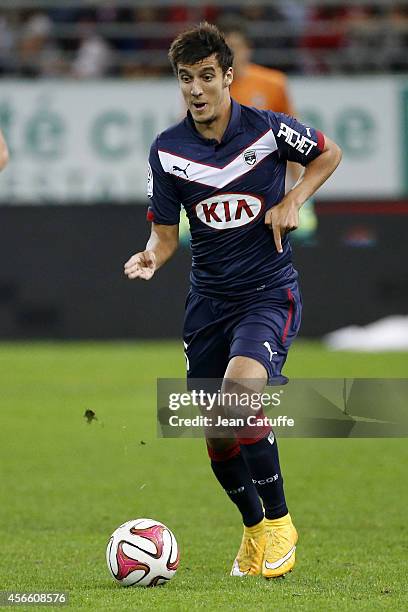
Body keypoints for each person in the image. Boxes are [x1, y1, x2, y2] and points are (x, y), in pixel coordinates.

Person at [124, 22, 341, 578]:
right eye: (184, 79)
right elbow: (166, 235)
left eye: (204, 77)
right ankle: (251, 530)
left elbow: (328, 153)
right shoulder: (168, 151)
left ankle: (281, 523)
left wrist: (294, 196)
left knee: (239, 394)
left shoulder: (269, 130)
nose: (195, 90)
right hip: (208, 304)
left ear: (227, 77)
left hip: (268, 293)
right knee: (218, 431)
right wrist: (151, 256)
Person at [220, 15, 317, 242]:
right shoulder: (209, 87)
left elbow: (292, 141)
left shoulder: (274, 83)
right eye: (225, 49)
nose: (231, 55)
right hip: (221, 184)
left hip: (267, 185)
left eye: (235, 47)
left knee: (298, 232)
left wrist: (300, 196)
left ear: (247, 49)